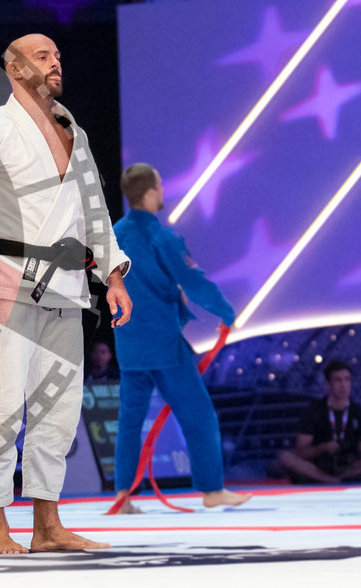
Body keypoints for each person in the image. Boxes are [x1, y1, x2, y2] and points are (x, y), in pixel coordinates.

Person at [0, 33, 132, 553]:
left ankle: (47, 525)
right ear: (14, 69)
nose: (55, 63)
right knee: (3, 406)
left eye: (58, 56)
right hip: (5, 282)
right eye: (42, 57)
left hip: (66, 287)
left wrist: (113, 276)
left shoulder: (74, 132)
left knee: (59, 410)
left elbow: (94, 211)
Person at [110, 162, 251, 513]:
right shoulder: (162, 237)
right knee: (199, 415)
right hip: (163, 344)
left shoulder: (113, 235)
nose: (162, 191)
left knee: (130, 421)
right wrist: (226, 312)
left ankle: (123, 495)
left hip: (128, 342)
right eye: (159, 185)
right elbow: (194, 282)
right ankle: (212, 489)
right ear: (150, 193)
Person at [279, 360, 361, 483]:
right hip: (319, 466)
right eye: (338, 380)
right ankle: (331, 480)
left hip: (348, 464)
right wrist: (323, 448)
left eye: (347, 379)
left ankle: (339, 479)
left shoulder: (358, 411)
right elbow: (301, 452)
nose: (343, 385)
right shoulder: (314, 410)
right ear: (328, 384)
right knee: (285, 457)